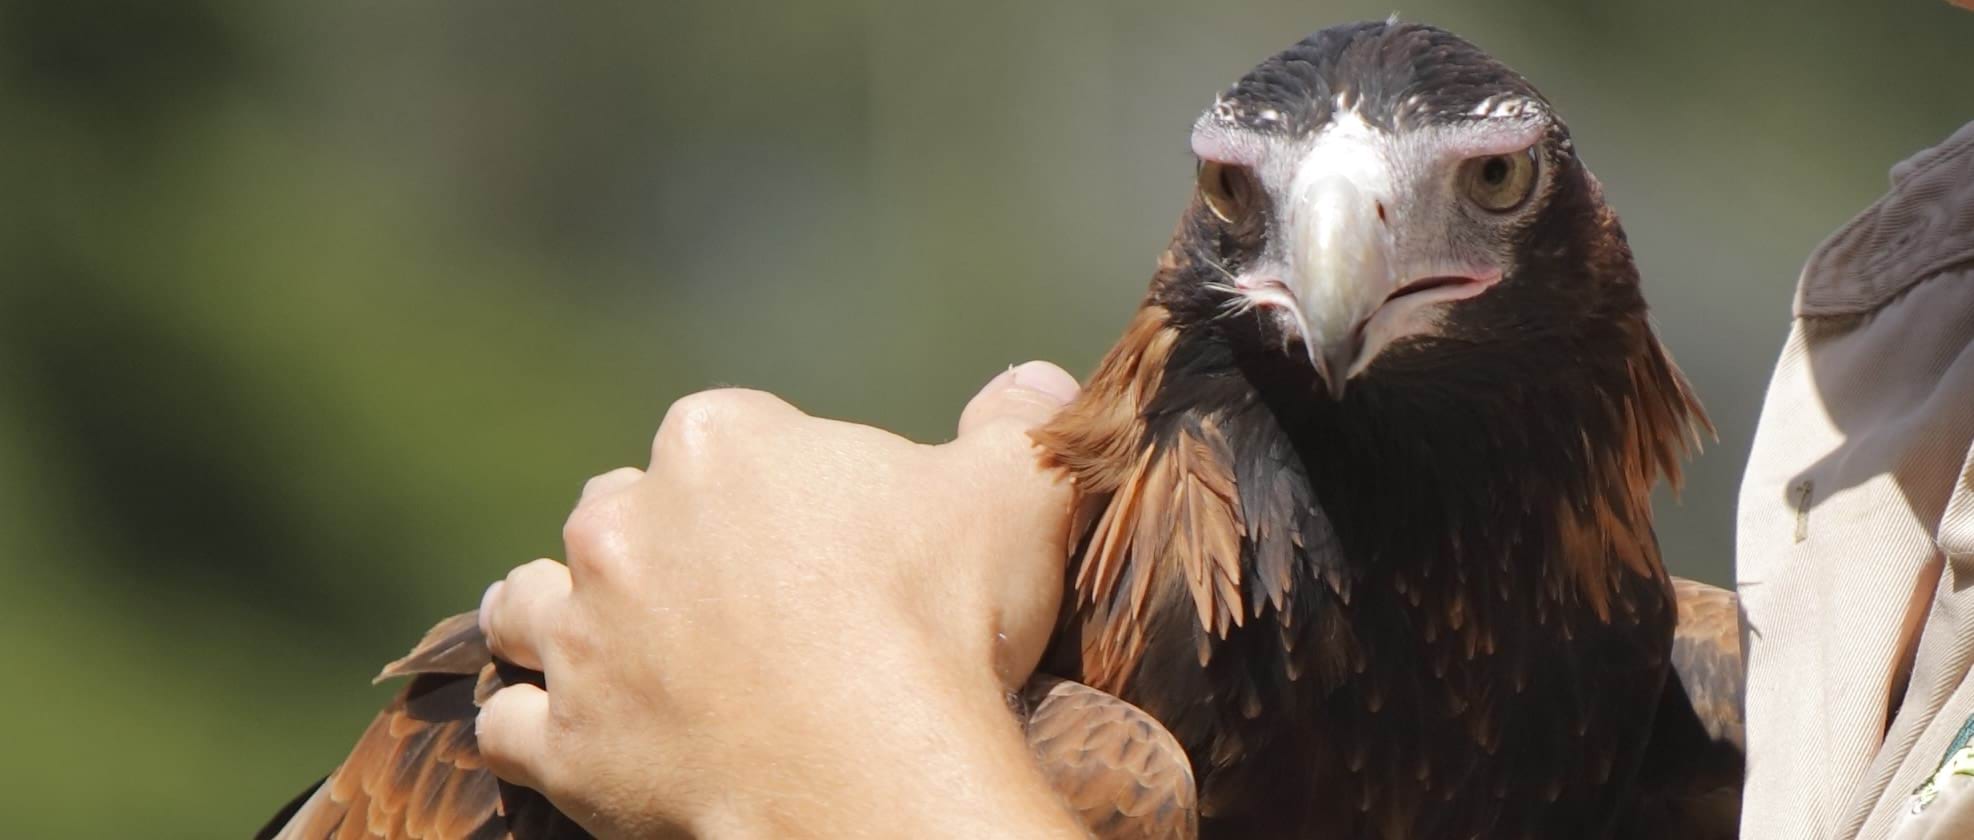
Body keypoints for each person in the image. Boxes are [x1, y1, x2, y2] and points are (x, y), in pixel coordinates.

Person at [472, 69, 1974, 840]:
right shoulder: (1908, 397)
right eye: (1235, 198)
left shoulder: (1689, 728)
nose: (1343, 252)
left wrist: (845, 763)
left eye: (1493, 183)